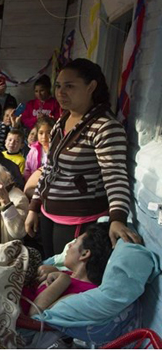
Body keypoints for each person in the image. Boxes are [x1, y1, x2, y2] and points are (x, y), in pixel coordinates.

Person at [25, 59, 141, 259]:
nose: (61, 92)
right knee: (48, 270)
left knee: (67, 277)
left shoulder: (105, 127)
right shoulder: (61, 123)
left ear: (91, 87)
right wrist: (34, 206)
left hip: (78, 219)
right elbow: (49, 168)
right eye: (58, 86)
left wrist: (117, 218)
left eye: (70, 86)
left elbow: (114, 176)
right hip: (48, 213)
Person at [21, 223, 113, 316]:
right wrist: (53, 271)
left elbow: (36, 315)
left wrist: (62, 279)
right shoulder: (68, 274)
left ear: (84, 254)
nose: (69, 246)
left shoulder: (85, 296)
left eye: (75, 242)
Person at [24, 117, 55, 182]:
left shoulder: (57, 150)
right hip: (34, 183)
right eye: (41, 133)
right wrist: (29, 182)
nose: (44, 137)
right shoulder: (33, 150)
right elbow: (27, 169)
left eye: (48, 132)